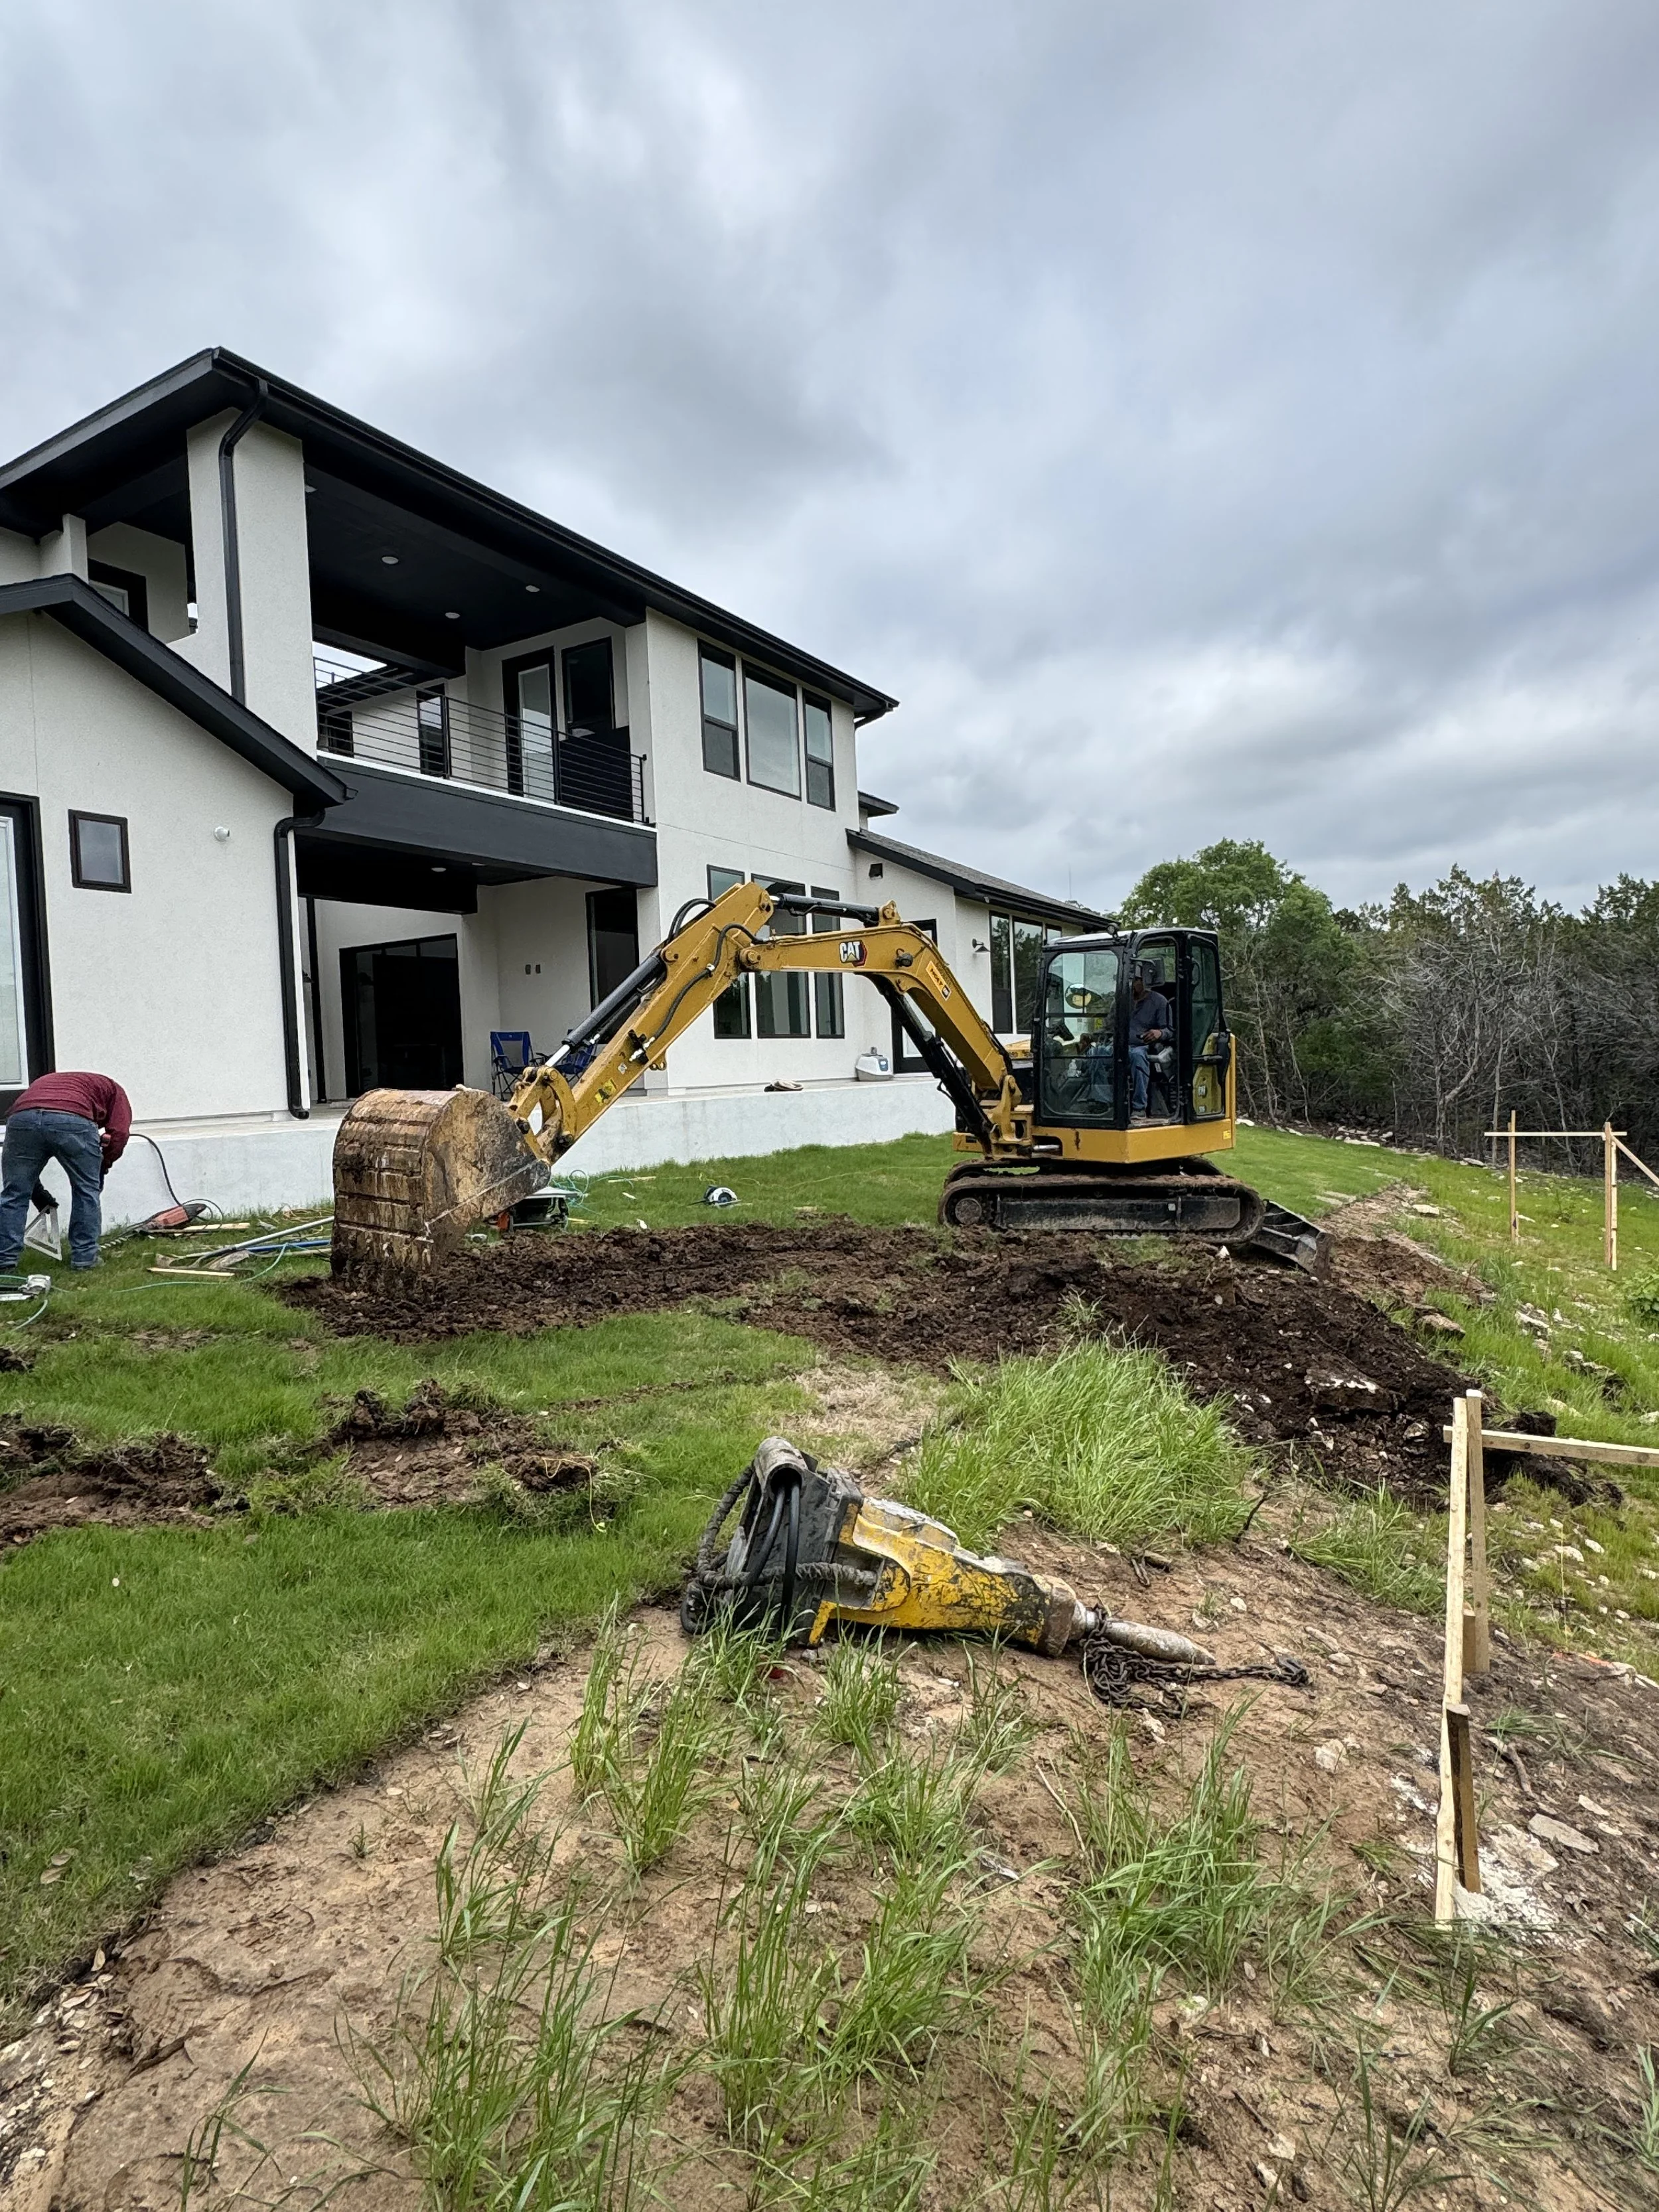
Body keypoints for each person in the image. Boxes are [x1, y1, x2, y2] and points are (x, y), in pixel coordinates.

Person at [0, 1070, 131, 1272]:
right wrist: (103, 1165)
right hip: (73, 1120)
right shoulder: (115, 1091)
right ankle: (85, 1259)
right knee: (86, 1191)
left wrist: (37, 1192)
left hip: (22, 1118)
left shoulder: (46, 1082)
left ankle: (5, 1261)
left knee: (14, 1193)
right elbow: (119, 1134)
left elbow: (23, 1167)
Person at [1127, 966, 1173, 1122]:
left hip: (1143, 1046)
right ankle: (1101, 1102)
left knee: (1137, 1057)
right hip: (1119, 1045)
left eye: (1134, 981)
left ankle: (1139, 1108)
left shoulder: (1159, 1002)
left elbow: (1169, 1030)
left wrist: (1159, 1033)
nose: (1131, 985)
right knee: (1097, 1054)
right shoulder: (1121, 1002)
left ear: (1144, 981)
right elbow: (1108, 1026)